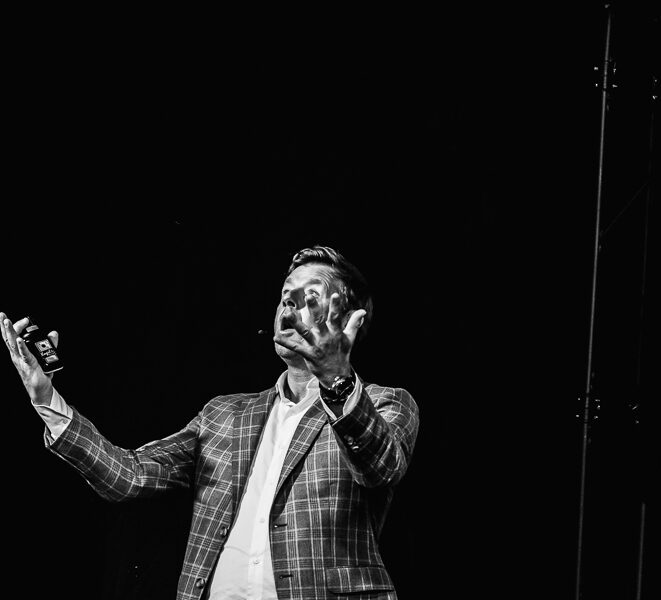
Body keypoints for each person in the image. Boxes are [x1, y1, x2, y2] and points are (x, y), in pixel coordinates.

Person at [1, 245, 420, 599]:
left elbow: (380, 468)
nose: (289, 305)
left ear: (348, 321)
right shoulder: (223, 414)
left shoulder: (384, 403)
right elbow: (128, 477)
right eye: (284, 295)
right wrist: (45, 398)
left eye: (310, 298)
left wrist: (335, 376)